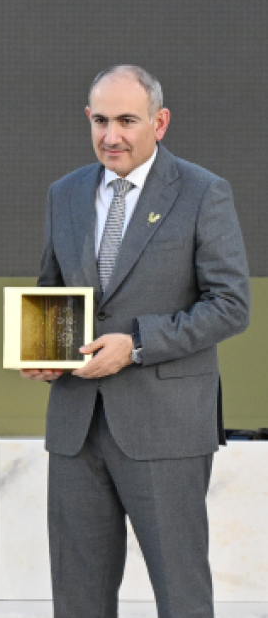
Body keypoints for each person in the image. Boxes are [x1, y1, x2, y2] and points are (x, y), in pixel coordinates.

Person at [22, 65, 250, 617]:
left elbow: (230, 305)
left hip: (166, 427)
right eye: (100, 120)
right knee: (77, 599)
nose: (111, 135)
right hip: (76, 428)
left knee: (181, 595)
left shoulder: (202, 192)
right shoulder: (64, 194)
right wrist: (42, 350)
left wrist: (137, 344)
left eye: (127, 120)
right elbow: (53, 290)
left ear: (160, 122)